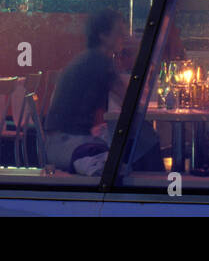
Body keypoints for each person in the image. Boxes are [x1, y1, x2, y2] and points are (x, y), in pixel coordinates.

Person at [44, 9, 161, 174]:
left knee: (141, 135)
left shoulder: (90, 58)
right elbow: (129, 98)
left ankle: (146, 189)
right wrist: (138, 52)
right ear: (103, 35)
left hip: (59, 142)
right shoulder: (99, 60)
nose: (124, 36)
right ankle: (154, 191)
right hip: (69, 145)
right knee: (144, 137)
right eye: (119, 32)